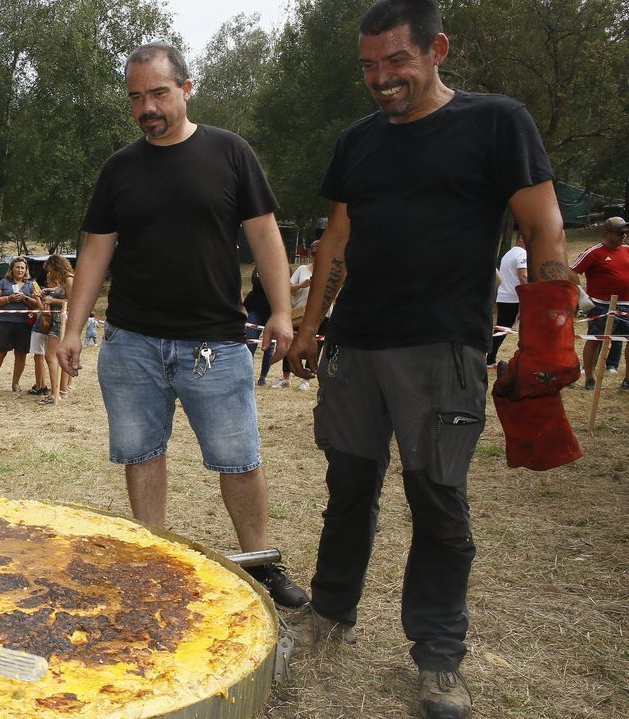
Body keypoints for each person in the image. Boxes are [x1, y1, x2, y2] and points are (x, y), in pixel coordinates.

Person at [283, 3, 578, 717]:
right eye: (369, 66)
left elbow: (544, 225)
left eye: (396, 62)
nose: (381, 78)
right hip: (356, 346)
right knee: (348, 488)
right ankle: (329, 613)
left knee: (438, 501)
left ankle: (439, 658)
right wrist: (309, 328)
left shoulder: (497, 122)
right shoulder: (358, 141)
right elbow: (337, 240)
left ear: (437, 48)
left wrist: (548, 334)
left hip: (444, 346)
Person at [57, 42, 308, 609]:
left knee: (239, 460)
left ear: (187, 89)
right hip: (131, 343)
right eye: (136, 97)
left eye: (158, 93)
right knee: (142, 455)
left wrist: (282, 311)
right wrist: (75, 328)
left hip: (215, 344)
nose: (147, 106)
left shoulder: (230, 152)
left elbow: (265, 236)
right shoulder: (119, 168)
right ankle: (152, 556)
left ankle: (260, 563)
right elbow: (95, 252)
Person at [570, 216, 629, 389]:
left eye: (625, 232)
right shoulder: (594, 252)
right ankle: (590, 377)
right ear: (607, 233)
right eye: (619, 233)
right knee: (595, 340)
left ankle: (627, 380)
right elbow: (571, 271)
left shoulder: (627, 250)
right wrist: (581, 295)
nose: (623, 236)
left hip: (626, 305)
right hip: (601, 304)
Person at [0, 257, 42, 392]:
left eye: (23, 268)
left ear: (26, 270)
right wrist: (9, 298)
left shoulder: (32, 284)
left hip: (24, 324)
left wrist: (26, 298)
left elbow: (39, 305)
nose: (20, 270)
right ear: (12, 269)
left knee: (21, 354)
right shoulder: (3, 282)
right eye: (17, 267)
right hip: (5, 323)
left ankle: (15, 384)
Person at [271, 240, 318, 390]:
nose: (315, 255)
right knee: (290, 343)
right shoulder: (302, 269)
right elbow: (288, 289)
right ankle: (285, 377)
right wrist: (301, 285)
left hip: (321, 316)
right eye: (313, 252)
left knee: (315, 346)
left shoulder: (328, 271)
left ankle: (307, 379)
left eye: (318, 252)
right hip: (299, 313)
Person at [488, 230, 528, 369]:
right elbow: (523, 276)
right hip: (515, 298)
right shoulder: (522, 254)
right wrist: (529, 295)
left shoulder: (508, 254)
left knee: (502, 329)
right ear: (522, 238)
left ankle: (490, 357)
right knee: (519, 328)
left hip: (504, 296)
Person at [39, 254, 74, 405]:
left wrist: (53, 300)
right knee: (61, 356)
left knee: (50, 356)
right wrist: (48, 292)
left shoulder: (69, 279)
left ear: (56, 266)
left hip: (62, 322)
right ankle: (61, 392)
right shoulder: (65, 280)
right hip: (59, 320)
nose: (50, 273)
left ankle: (54, 394)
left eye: (50, 269)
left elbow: (72, 302)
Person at [242, 268, 278, 386]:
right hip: (255, 309)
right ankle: (249, 375)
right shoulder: (258, 267)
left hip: (272, 311)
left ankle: (263, 377)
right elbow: (256, 282)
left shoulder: (283, 267)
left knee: (269, 347)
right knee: (250, 344)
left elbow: (277, 285)